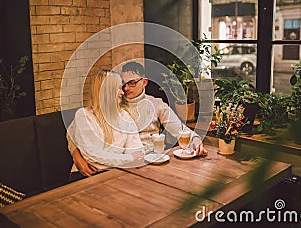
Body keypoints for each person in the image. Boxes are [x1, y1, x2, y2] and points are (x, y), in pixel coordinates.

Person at [70, 62, 208, 177]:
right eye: (123, 84)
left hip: (148, 161)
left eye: (132, 83)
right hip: (120, 166)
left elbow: (179, 129)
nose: (126, 89)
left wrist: (195, 140)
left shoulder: (156, 104)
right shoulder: (115, 105)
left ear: (144, 82)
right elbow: (72, 132)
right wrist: (76, 154)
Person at [66, 69, 144, 181]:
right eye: (118, 88)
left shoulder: (124, 116)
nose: (122, 92)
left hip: (118, 173)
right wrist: (129, 158)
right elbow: (94, 158)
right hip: (88, 176)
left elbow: (137, 151)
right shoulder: (84, 116)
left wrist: (129, 159)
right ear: (107, 91)